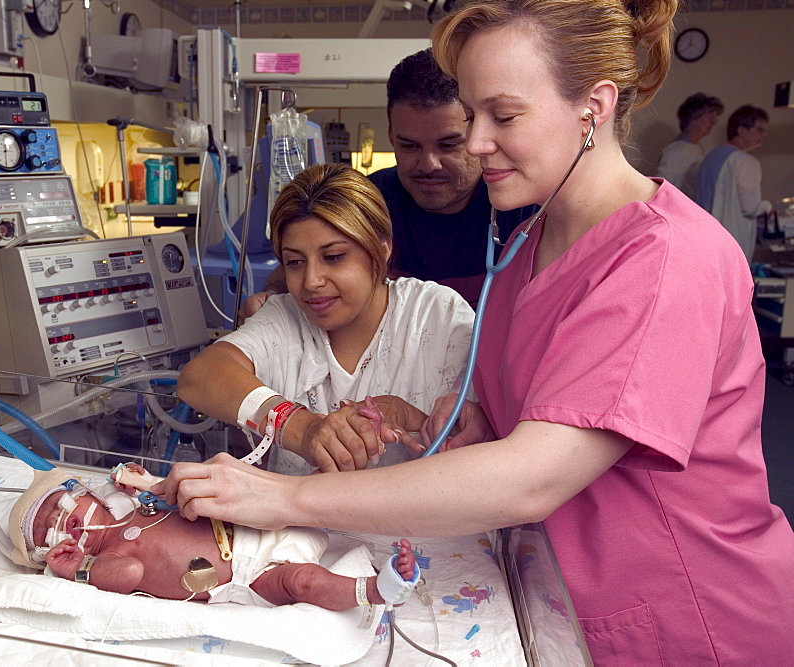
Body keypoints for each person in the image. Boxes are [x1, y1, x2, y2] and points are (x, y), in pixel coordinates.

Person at [158, 1, 794, 664]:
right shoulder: (524, 244)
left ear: (594, 107)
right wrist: (472, 423)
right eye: (471, 114)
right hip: (565, 603)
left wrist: (284, 495)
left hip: (685, 617)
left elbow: (531, 475)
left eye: (503, 115)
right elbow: (520, 413)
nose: (478, 141)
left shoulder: (666, 259)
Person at [179, 163, 475, 475]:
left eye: (333, 257)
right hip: (299, 523)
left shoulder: (436, 315)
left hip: (420, 519)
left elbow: (484, 439)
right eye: (294, 262)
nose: (311, 281)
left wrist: (411, 417)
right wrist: (301, 428)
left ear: (382, 249)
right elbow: (198, 376)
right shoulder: (286, 317)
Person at [239, 49, 535, 321]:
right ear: (391, 134)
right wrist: (273, 301)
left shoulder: (522, 207)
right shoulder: (366, 202)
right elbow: (298, 269)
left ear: (476, 131)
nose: (428, 164)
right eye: (410, 146)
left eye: (448, 145)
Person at [7, 464, 418, 610]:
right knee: (303, 582)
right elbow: (131, 573)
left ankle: (370, 457)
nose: (63, 520)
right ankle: (380, 590)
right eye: (48, 529)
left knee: (314, 484)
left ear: (90, 494)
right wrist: (78, 571)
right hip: (248, 575)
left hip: (261, 523)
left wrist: (143, 483)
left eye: (62, 505)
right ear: (51, 551)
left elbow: (181, 490)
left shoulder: (140, 507)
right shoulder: (109, 559)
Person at [696, 104, 773, 261]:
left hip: (703, 237)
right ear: (741, 130)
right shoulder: (745, 161)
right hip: (730, 243)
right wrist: (768, 207)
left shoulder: (710, 157)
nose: (764, 134)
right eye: (760, 129)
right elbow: (751, 208)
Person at [654, 92, 723, 198]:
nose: (713, 122)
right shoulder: (679, 150)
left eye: (715, 118)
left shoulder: (698, 148)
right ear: (694, 117)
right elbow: (662, 185)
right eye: (710, 117)